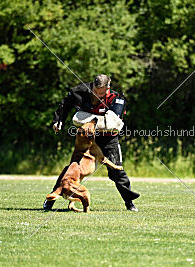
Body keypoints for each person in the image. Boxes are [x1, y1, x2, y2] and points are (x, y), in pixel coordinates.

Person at [43, 74, 140, 212]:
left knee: (116, 170)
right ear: (92, 86)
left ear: (108, 88)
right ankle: (51, 200)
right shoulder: (79, 91)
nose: (97, 95)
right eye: (95, 91)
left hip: (108, 138)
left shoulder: (116, 99)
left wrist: (87, 120)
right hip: (86, 138)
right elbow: (66, 103)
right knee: (71, 169)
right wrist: (58, 120)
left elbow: (113, 122)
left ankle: (129, 202)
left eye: (101, 93)